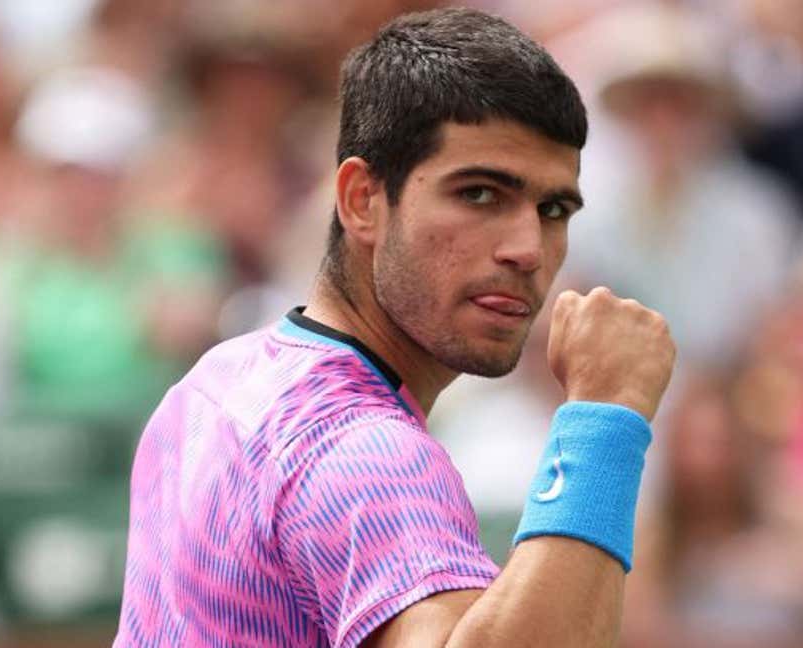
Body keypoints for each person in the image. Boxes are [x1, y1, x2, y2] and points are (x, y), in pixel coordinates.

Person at [114, 8, 676, 648]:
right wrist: (605, 418)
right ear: (361, 200)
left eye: (553, 209)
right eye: (481, 194)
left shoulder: (216, 380)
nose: (528, 247)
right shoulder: (365, 446)